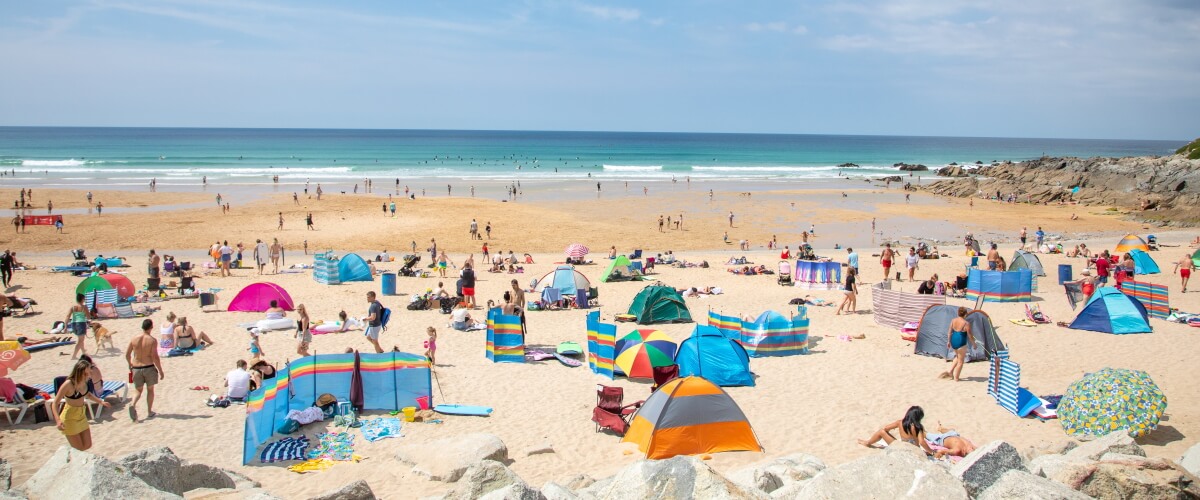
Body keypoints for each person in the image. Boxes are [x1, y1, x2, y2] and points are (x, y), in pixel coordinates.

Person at [52, 360, 110, 451]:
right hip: (69, 417)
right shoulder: (68, 384)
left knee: (87, 445)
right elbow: (55, 403)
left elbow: (88, 394)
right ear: (79, 372)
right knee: (79, 448)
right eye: (86, 374)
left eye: (89, 373)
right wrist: (58, 420)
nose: (89, 376)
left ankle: (69, 451)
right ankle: (67, 454)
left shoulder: (85, 382)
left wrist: (100, 401)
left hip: (81, 415)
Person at [125, 318, 164, 422]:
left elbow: (127, 354)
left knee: (138, 390)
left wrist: (130, 364)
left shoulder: (134, 339)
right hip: (148, 367)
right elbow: (155, 357)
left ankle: (132, 404)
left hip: (136, 367)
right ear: (151, 327)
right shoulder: (152, 340)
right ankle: (149, 411)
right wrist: (160, 370)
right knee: (150, 390)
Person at [856, 406, 934, 455]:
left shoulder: (900, 422)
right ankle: (867, 443)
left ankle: (867, 442)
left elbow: (885, 428)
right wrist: (931, 452)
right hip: (913, 451)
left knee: (881, 432)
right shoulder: (918, 427)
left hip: (900, 448)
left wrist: (890, 433)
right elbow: (922, 442)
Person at [941, 307, 976, 382]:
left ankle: (950, 372)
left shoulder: (953, 320)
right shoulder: (966, 323)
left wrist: (948, 341)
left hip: (954, 340)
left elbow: (949, 331)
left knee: (957, 356)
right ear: (965, 314)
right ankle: (956, 378)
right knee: (961, 361)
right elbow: (970, 335)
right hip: (961, 341)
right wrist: (974, 344)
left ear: (958, 313)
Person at [66, 293, 90, 359]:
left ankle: (83, 352)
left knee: (80, 339)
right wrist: (89, 321)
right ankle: (74, 356)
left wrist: (65, 327)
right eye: (84, 299)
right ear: (82, 299)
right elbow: (88, 316)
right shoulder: (84, 307)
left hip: (73, 324)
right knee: (80, 341)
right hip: (81, 324)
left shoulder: (73, 307)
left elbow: (68, 316)